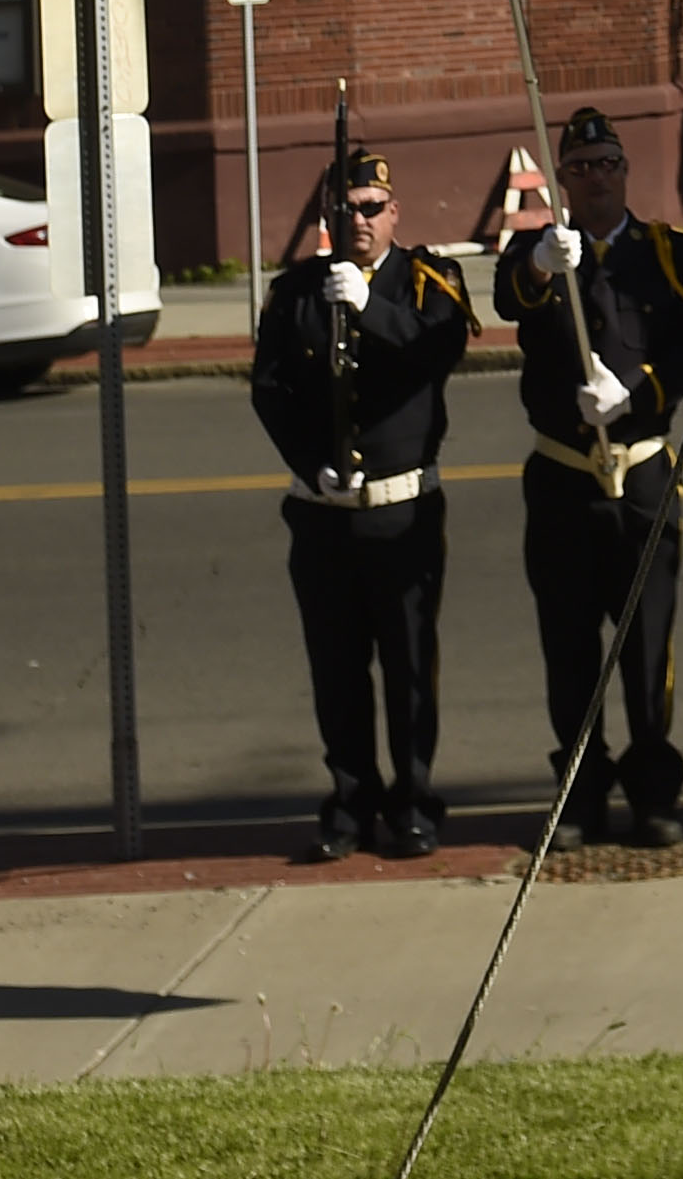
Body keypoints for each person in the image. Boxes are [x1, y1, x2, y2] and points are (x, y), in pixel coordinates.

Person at [497, 106, 683, 848]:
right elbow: (508, 297)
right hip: (562, 480)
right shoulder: (538, 253)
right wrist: (538, 265)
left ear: (626, 171)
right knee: (568, 649)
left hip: (643, 474)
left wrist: (640, 393)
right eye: (581, 165)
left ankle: (655, 793)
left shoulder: (668, 254)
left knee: (648, 648)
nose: (595, 176)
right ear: (561, 177)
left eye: (607, 162)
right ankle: (580, 792)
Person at [247, 146, 472, 861]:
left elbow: (436, 352)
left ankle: (412, 802)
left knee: (408, 669)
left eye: (372, 208)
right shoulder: (295, 292)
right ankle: (348, 802)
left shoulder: (428, 278)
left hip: (400, 510)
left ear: (394, 211)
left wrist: (369, 307)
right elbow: (270, 388)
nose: (360, 221)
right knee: (336, 671)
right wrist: (309, 465)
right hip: (322, 512)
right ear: (326, 217)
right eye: (345, 210)